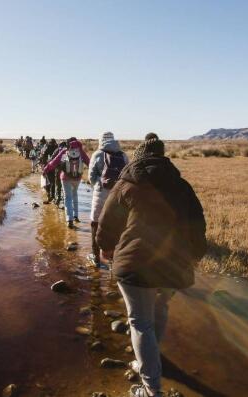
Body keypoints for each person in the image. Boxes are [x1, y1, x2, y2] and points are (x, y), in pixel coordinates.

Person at [95, 134, 206, 397]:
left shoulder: (127, 183)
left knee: (140, 322)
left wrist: (105, 248)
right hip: (173, 266)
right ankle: (152, 360)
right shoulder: (181, 185)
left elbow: (107, 223)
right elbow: (198, 225)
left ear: (139, 156)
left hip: (134, 264)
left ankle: (151, 389)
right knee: (161, 308)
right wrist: (195, 255)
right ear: (163, 156)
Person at [87, 131, 128, 267]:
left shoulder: (97, 154)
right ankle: (115, 259)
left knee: (95, 223)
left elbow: (91, 177)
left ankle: (96, 256)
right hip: (119, 196)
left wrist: (99, 187)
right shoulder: (123, 155)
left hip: (101, 194)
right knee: (117, 226)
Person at [44, 137, 90, 228]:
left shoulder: (64, 151)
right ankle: (76, 216)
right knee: (75, 195)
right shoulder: (81, 151)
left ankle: (69, 220)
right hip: (77, 178)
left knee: (67, 198)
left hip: (65, 178)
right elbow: (89, 162)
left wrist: (46, 169)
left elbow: (54, 162)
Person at [40, 138, 59, 203]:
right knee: (54, 182)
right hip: (56, 168)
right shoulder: (58, 148)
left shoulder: (47, 148)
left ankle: (49, 196)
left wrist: (43, 166)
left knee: (48, 182)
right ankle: (54, 196)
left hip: (48, 167)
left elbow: (43, 157)